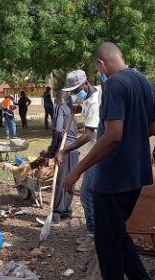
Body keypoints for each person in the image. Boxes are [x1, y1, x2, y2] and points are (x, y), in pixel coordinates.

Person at [63, 42, 155, 280]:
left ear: (100, 64)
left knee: (107, 245)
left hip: (113, 178)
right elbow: (152, 127)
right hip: (137, 174)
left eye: (98, 69)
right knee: (117, 233)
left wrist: (77, 171)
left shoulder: (114, 84)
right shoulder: (145, 82)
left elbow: (112, 135)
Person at [54, 69, 101, 252]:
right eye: (72, 91)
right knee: (93, 194)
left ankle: (94, 235)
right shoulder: (90, 96)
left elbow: (89, 134)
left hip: (99, 152)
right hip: (96, 150)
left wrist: (63, 150)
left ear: (86, 83)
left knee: (86, 193)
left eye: (77, 90)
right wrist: (80, 107)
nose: (74, 94)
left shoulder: (96, 100)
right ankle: (94, 232)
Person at [38, 89, 78, 226]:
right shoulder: (70, 110)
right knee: (69, 181)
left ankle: (55, 215)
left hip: (65, 149)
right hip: (74, 149)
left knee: (60, 182)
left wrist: (52, 151)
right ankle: (66, 211)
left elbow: (58, 130)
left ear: (58, 98)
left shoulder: (60, 107)